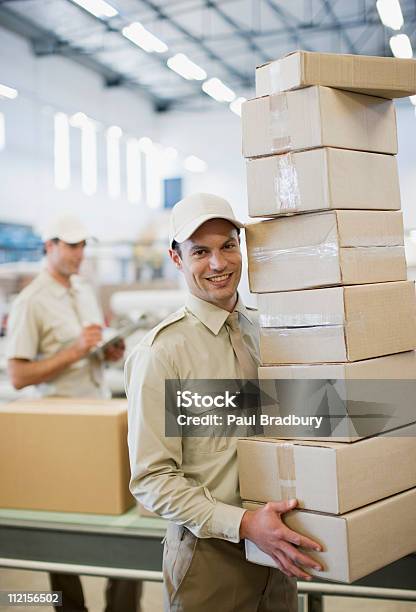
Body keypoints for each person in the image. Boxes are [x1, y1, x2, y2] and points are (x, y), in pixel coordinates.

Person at [125, 193, 323, 612]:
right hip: (210, 556)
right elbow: (151, 480)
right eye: (200, 251)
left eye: (228, 246)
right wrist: (246, 525)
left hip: (279, 546)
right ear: (177, 260)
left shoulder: (266, 333)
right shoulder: (161, 353)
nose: (218, 264)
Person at [7, 213, 141, 612]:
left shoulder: (84, 289)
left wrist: (108, 350)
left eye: (83, 245)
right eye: (71, 245)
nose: (80, 253)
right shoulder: (30, 301)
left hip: (98, 414)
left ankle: (122, 608)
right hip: (60, 428)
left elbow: (90, 345)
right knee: (63, 531)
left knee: (125, 514)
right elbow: (17, 375)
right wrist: (76, 351)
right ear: (48, 247)